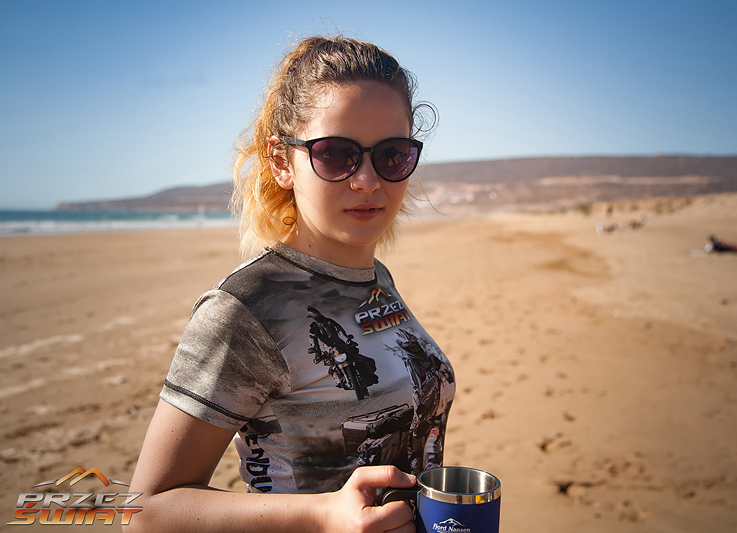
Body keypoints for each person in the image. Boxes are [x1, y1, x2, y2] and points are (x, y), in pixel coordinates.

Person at [126, 36, 455, 533]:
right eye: (337, 154)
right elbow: (145, 511)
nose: (367, 180)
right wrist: (322, 516)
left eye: (391, 155)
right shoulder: (246, 307)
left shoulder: (376, 280)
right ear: (282, 162)